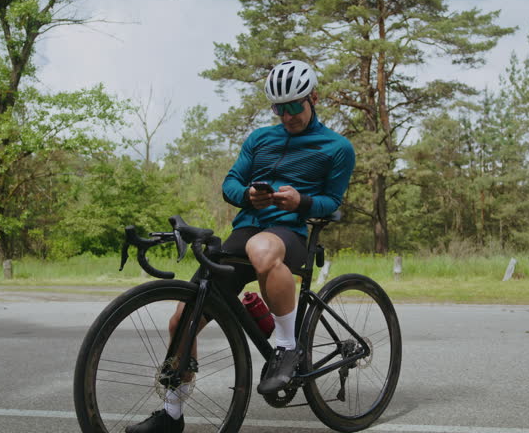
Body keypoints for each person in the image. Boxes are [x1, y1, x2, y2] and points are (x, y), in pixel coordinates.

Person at [126, 60, 356, 433]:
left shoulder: (337, 147)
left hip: (293, 234)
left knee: (263, 250)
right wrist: (249, 196)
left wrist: (302, 202)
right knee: (180, 321)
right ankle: (171, 413)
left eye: (295, 105)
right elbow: (230, 183)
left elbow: (333, 200)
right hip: (244, 234)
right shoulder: (259, 140)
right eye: (279, 108)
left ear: (313, 97)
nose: (287, 115)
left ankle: (287, 347)